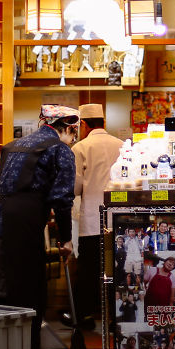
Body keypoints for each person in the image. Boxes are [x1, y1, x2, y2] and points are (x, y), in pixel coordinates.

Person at [0, 104, 78, 349]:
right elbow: (61, 198)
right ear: (70, 128)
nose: (73, 138)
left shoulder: (12, 146)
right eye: (74, 133)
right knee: (27, 298)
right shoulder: (60, 150)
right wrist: (66, 239)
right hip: (24, 227)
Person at [70, 103, 123, 326]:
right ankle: (116, 317)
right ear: (103, 122)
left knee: (89, 272)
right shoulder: (121, 145)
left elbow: (75, 188)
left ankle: (87, 317)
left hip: (92, 220)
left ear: (83, 124)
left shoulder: (80, 148)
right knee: (117, 271)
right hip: (118, 219)